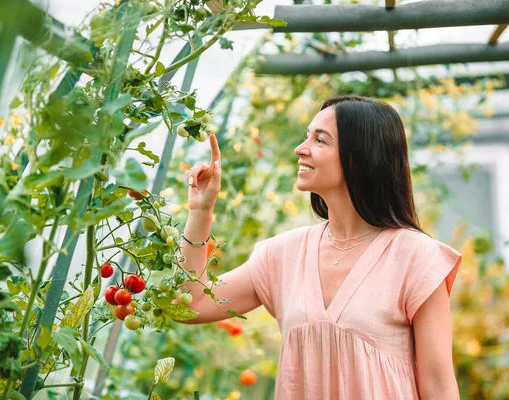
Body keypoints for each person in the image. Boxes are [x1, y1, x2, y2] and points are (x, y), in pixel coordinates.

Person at [177, 95, 462, 399]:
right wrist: (200, 212)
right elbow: (190, 305)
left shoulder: (416, 257)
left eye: (320, 140)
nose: (300, 149)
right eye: (306, 136)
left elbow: (439, 387)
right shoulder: (283, 254)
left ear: (358, 156)